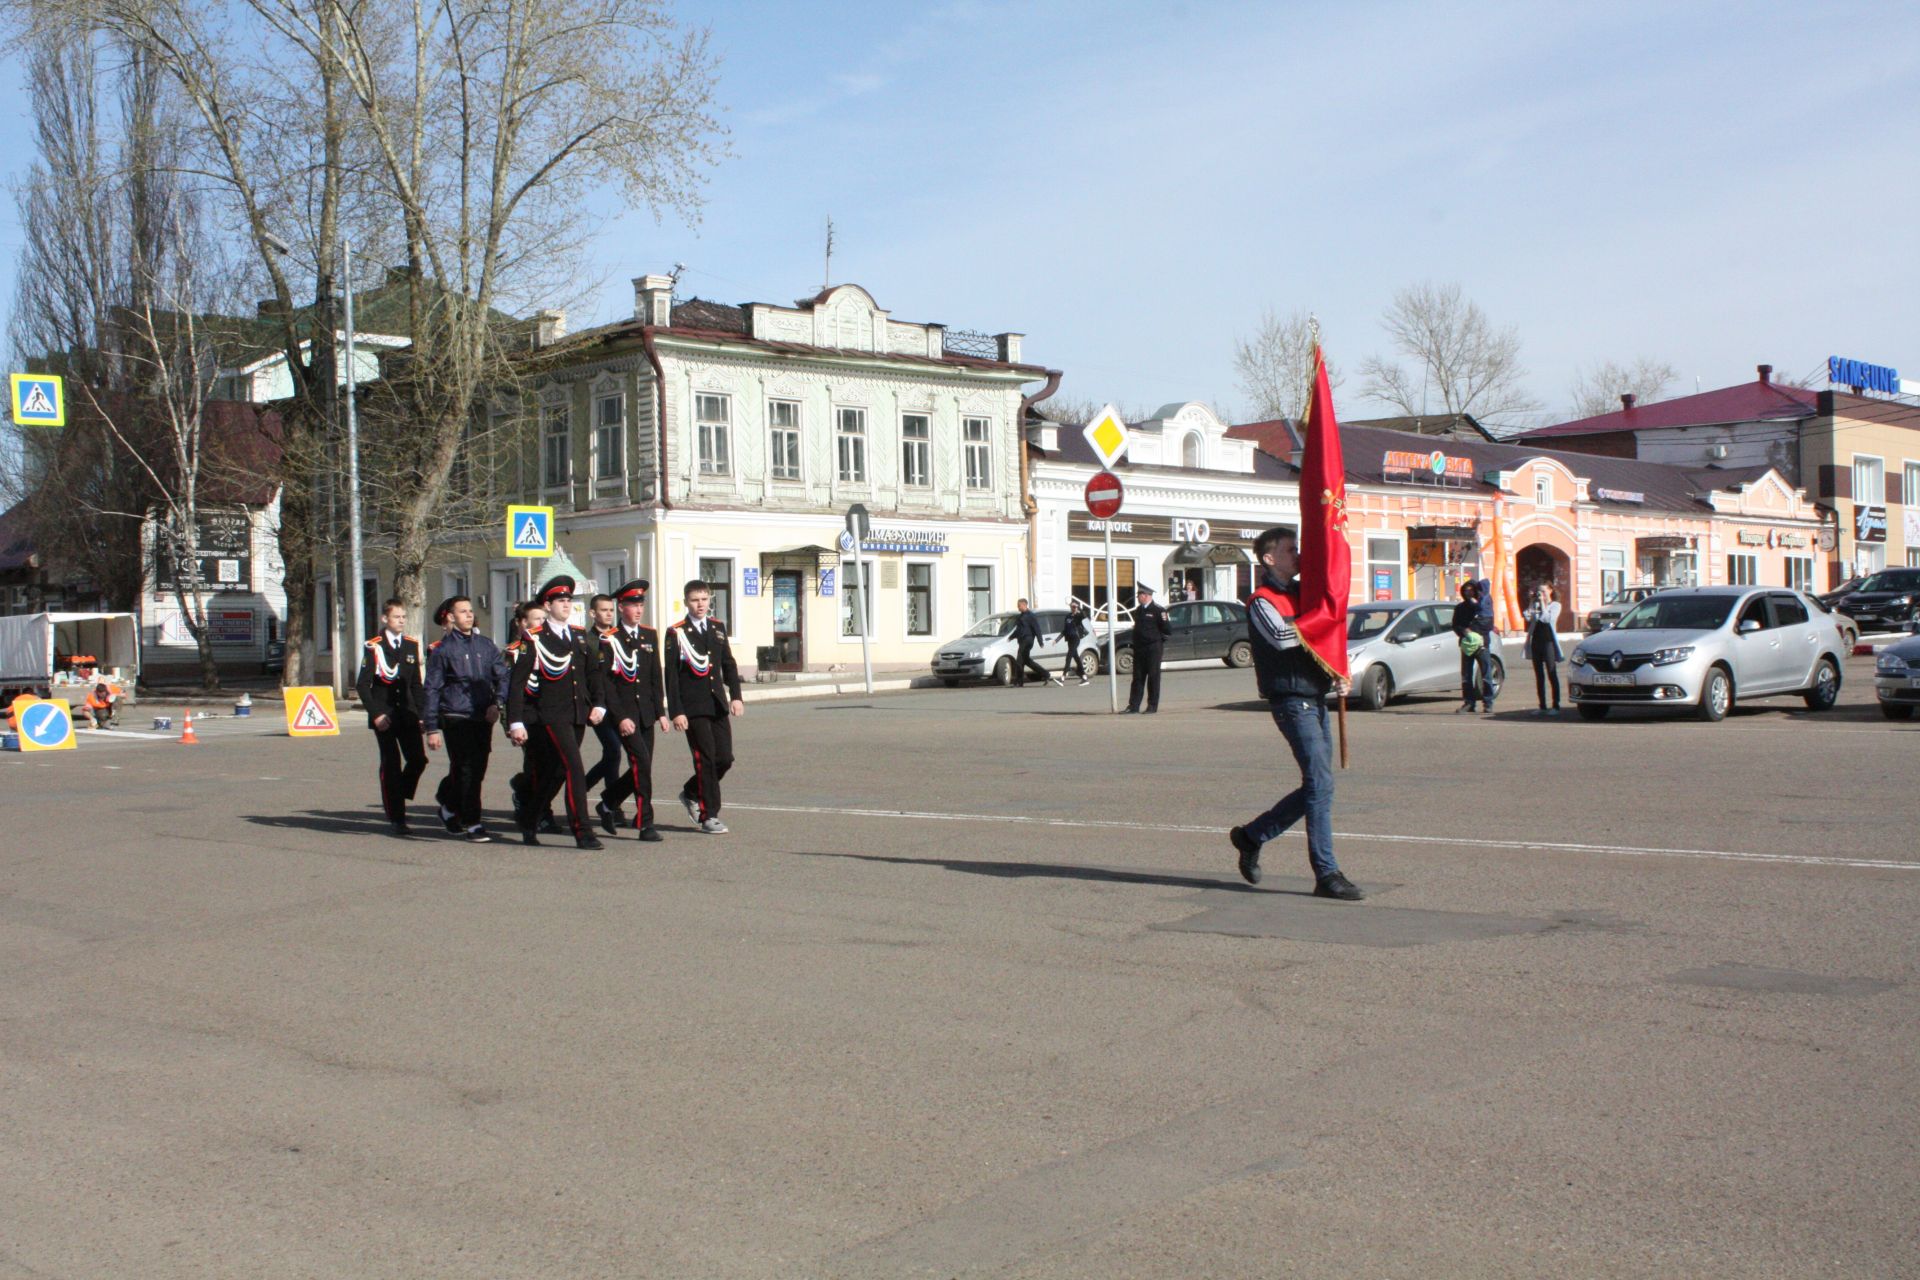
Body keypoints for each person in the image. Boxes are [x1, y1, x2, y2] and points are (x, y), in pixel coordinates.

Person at [1228, 527, 1364, 901]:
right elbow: (1282, 638)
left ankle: (1252, 836)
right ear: (1269, 559)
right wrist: (1320, 620)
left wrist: (1339, 669)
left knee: (1320, 785)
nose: (1298, 555)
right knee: (1320, 784)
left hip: (1315, 696)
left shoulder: (1304, 594)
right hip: (1291, 700)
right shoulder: (1261, 600)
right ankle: (1326, 872)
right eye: (1290, 550)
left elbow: (1326, 637)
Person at [505, 575, 609, 849]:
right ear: (547, 605)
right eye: (561, 600)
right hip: (549, 715)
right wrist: (515, 721)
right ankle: (582, 830)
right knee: (575, 767)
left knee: (556, 772)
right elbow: (517, 683)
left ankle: (529, 817)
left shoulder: (578, 635)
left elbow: (592, 673)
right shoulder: (535, 638)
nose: (566, 604)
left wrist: (598, 703)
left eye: (569, 600)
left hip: (577, 714)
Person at [423, 595, 508, 842]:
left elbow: (503, 676)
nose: (469, 615)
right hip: (455, 715)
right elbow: (432, 688)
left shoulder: (486, 645)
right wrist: (432, 727)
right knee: (466, 768)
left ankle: (448, 807)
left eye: (470, 611)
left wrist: (497, 703)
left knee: (476, 770)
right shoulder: (443, 651)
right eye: (463, 611)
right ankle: (473, 823)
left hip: (482, 715)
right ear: (451, 617)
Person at [665, 579, 744, 834]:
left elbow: (728, 664)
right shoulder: (676, 632)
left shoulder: (717, 627)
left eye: (704, 599)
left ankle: (690, 791)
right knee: (707, 759)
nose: (700, 604)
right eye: (695, 600)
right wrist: (676, 710)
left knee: (725, 758)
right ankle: (709, 815)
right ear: (686, 602)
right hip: (693, 707)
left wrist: (736, 696)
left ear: (710, 600)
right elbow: (672, 676)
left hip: (717, 702)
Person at [595, 579, 670, 842]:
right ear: (621, 606)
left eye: (641, 604)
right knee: (641, 763)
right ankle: (645, 823)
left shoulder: (649, 634)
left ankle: (607, 802)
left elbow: (653, 677)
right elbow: (607, 685)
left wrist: (661, 712)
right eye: (632, 604)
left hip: (647, 713)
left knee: (643, 766)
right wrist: (620, 717)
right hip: (625, 715)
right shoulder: (610, 639)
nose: (638, 610)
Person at [355, 598, 428, 836]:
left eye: (404, 617)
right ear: (385, 619)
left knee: (418, 760)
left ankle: (399, 791)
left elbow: (416, 683)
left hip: (407, 713)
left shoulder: (410, 645)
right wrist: (376, 714)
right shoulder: (374, 646)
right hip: (384, 715)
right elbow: (363, 685)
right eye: (397, 617)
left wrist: (422, 713)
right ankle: (397, 817)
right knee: (392, 764)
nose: (401, 621)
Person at [580, 592, 626, 802]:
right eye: (603, 610)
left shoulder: (619, 636)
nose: (608, 614)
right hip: (599, 705)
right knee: (613, 750)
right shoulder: (587, 641)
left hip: (619, 703)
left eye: (611, 610)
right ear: (592, 613)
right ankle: (610, 801)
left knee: (612, 754)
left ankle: (587, 788)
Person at [1124, 583, 1172, 713]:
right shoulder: (1139, 610)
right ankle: (1133, 706)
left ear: (1145, 596)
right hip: (1140, 648)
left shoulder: (1158, 610)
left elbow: (1167, 630)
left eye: (1139, 595)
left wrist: (1156, 641)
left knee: (1153, 677)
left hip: (1153, 648)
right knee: (1137, 677)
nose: (1138, 597)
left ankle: (1152, 705)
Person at [1451, 580, 1497, 714]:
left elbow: (1488, 625)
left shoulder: (1483, 605)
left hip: (1482, 644)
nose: (1468, 593)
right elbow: (1455, 625)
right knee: (1466, 675)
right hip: (1467, 644)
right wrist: (1464, 631)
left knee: (1486, 674)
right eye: (1465, 591)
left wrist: (1474, 632)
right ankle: (1468, 703)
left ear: (1476, 591)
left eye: (1471, 590)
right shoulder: (1460, 608)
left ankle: (1488, 702)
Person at [1523, 583, 1563, 716]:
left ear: (1550, 591)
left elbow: (1547, 619)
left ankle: (1556, 705)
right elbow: (1527, 616)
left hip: (1548, 642)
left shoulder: (1555, 605)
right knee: (1539, 675)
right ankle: (1542, 705)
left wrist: (1543, 604)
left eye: (1544, 592)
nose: (1541, 594)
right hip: (1536, 642)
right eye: (1539, 591)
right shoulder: (1536, 605)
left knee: (1551, 673)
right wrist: (1531, 602)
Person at [1009, 598, 1057, 687]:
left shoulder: (1031, 616)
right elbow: (1018, 630)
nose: (1018, 608)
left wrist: (1040, 641)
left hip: (1028, 640)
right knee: (1026, 661)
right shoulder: (1021, 617)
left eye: (1019, 606)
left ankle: (1018, 681)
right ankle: (1046, 674)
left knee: (1019, 660)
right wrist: (1011, 637)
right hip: (1022, 640)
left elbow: (1037, 629)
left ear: (1024, 605)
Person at [1059, 600, 1091, 685]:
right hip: (1069, 639)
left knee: (1069, 656)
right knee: (1076, 657)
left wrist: (1079, 608)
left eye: (1074, 607)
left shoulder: (1079, 616)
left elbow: (1085, 616)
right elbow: (1065, 630)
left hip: (1076, 638)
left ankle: (1063, 677)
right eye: (1071, 607)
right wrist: (1057, 639)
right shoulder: (1068, 616)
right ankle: (1084, 677)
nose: (1072, 608)